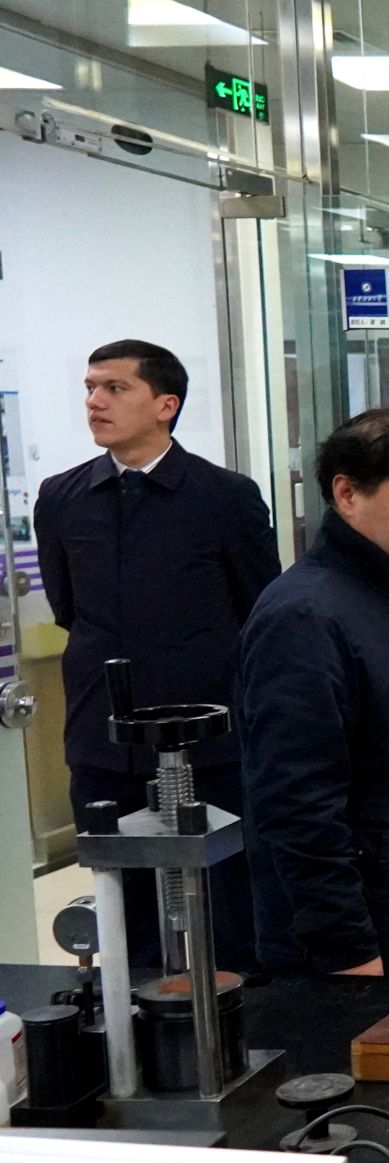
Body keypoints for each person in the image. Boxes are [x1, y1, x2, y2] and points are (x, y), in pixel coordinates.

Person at [32, 340, 280, 974]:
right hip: (104, 736)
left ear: (165, 405)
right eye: (90, 388)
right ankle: (139, 1020)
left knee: (233, 905)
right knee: (127, 910)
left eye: (115, 388)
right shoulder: (62, 497)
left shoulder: (225, 496)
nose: (95, 401)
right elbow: (68, 608)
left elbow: (261, 610)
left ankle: (247, 1014)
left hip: (211, 738)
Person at [239, 409, 389, 977]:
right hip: (357, 953)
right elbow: (297, 804)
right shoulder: (305, 617)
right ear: (347, 494)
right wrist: (347, 949)